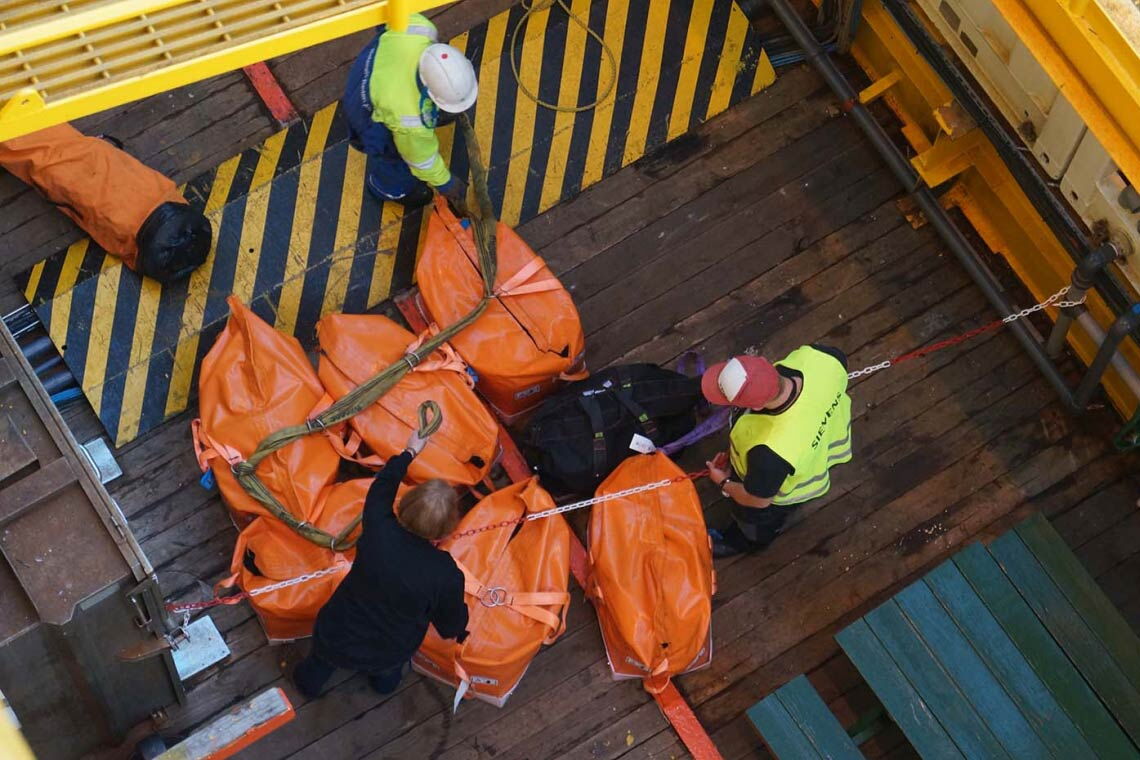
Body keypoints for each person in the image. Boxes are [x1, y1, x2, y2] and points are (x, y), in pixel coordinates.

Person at [292, 429, 469, 698]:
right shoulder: (446, 575)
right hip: (389, 649)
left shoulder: (378, 525)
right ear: (446, 532)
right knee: (386, 676)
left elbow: (382, 485)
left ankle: (306, 686)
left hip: (338, 629)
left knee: (318, 664)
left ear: (404, 507)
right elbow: (449, 626)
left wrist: (410, 451)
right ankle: (381, 688)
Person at [702, 345, 852, 558]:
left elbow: (758, 500)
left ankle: (744, 542)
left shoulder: (769, 451)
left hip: (783, 488)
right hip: (819, 445)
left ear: (756, 406)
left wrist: (724, 482)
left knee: (755, 523)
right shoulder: (820, 357)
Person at [342, 12, 477, 209]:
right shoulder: (411, 121)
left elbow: (388, 20)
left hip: (370, 64)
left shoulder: (421, 29)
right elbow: (421, 160)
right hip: (363, 111)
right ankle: (386, 188)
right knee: (395, 158)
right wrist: (446, 183)